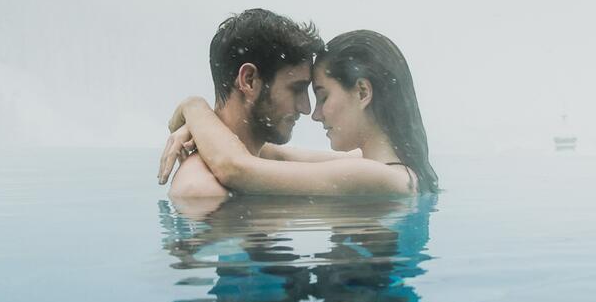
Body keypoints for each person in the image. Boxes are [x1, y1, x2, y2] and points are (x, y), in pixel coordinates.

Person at [160, 28, 439, 197]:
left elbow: (236, 168)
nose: (314, 114)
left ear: (363, 93)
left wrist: (193, 107)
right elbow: (270, 152)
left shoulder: (378, 177)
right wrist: (199, 126)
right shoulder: (381, 166)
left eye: (322, 96)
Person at [163, 8, 326, 201]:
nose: (305, 108)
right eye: (296, 89)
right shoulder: (202, 191)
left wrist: (193, 108)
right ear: (249, 80)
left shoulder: (261, 157)